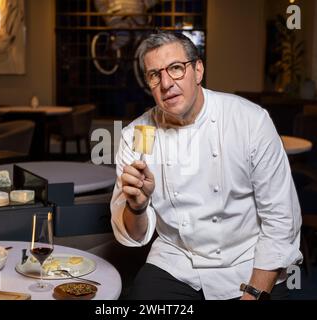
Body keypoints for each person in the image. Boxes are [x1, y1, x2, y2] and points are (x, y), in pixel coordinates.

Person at [110, 31, 302, 300]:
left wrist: (254, 293)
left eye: (176, 68)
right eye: (155, 75)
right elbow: (135, 234)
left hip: (246, 262)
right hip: (176, 261)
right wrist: (137, 206)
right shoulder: (136, 136)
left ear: (198, 70)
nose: (166, 83)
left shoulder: (249, 122)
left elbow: (281, 219)